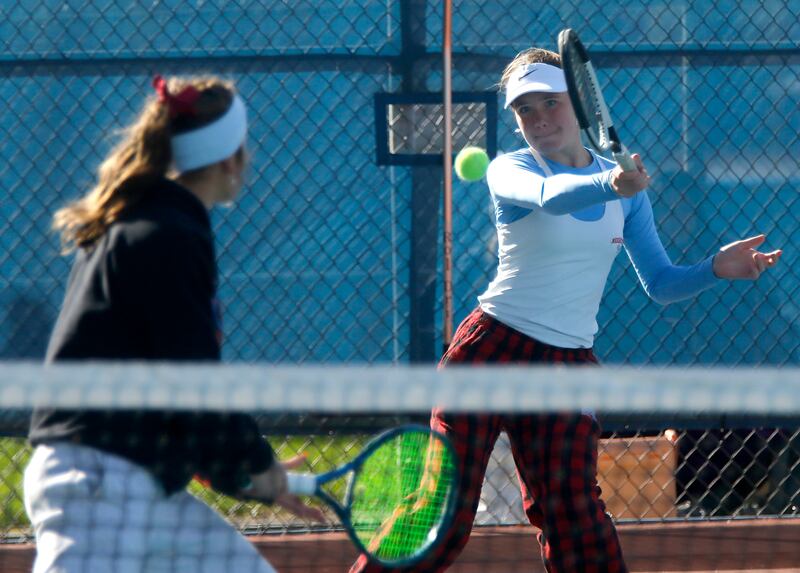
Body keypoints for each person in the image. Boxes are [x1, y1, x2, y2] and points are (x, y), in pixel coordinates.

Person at [351, 48, 782, 573]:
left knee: (576, 522)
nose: (537, 119)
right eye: (524, 110)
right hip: (491, 350)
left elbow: (662, 283)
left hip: (568, 366)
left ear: (578, 104)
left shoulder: (626, 190)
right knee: (441, 519)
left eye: (549, 103)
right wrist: (610, 183)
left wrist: (715, 267)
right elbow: (552, 196)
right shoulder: (511, 169)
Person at [24, 75, 323, 573]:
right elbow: (193, 387)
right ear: (230, 158)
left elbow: (176, 391)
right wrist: (253, 465)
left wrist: (246, 469)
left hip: (140, 480)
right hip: (95, 485)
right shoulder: (165, 235)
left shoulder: (148, 224)